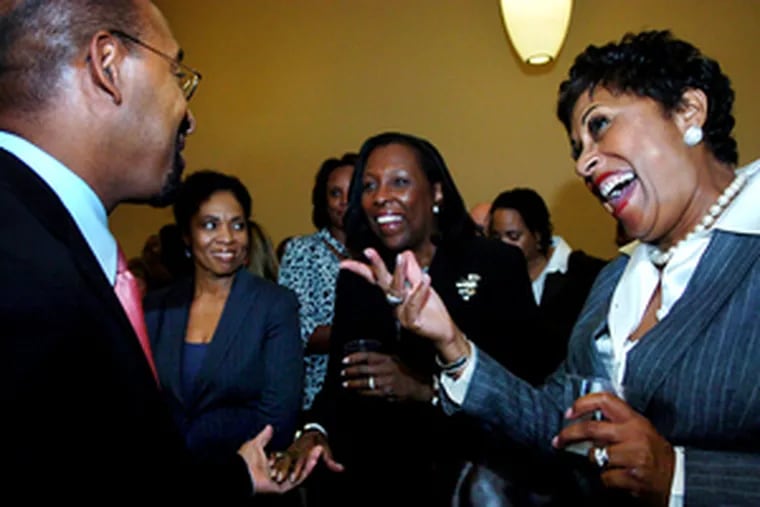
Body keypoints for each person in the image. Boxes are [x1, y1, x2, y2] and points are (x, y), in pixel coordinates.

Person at [343, 31, 760, 506]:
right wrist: (452, 345)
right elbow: (561, 423)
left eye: (599, 125)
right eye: (576, 148)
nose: (584, 163)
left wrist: (681, 475)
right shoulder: (615, 284)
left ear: (688, 111)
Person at [0, 1, 320, 500]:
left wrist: (235, 476)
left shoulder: (47, 241)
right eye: (178, 74)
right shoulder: (24, 269)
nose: (189, 117)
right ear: (108, 66)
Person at [276, 132, 541, 507]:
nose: (380, 195)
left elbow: (526, 381)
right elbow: (339, 380)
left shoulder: (494, 264)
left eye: (399, 182)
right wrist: (314, 430)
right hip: (371, 477)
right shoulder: (359, 276)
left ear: (436, 193)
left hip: (466, 476)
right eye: (369, 185)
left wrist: (424, 387)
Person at [144, 170, 303, 463]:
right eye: (210, 225)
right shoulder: (156, 308)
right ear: (187, 236)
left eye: (237, 225)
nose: (227, 238)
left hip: (244, 479)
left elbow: (278, 418)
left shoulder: (274, 305)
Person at [488, 187, 607, 380]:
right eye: (496, 237)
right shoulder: (491, 278)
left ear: (538, 235)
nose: (502, 246)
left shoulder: (585, 274)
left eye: (513, 236)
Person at [278, 152, 357, 410]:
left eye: (353, 191)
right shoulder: (302, 251)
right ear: (323, 201)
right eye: (335, 193)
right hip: (317, 399)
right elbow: (299, 332)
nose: (345, 201)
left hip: (375, 400)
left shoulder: (384, 253)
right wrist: (366, 331)